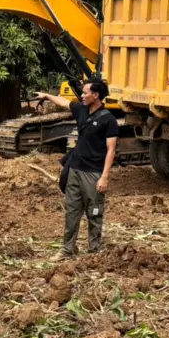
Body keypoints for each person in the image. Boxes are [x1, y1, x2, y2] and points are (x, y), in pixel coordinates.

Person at [35, 80, 118, 259]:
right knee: (72, 211)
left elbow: (111, 149)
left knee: (94, 212)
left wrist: (104, 177)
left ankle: (94, 250)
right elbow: (64, 102)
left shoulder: (108, 120)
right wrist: (47, 96)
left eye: (85, 92)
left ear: (95, 95)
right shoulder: (81, 109)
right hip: (74, 169)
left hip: (93, 173)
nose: (81, 95)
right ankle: (67, 249)